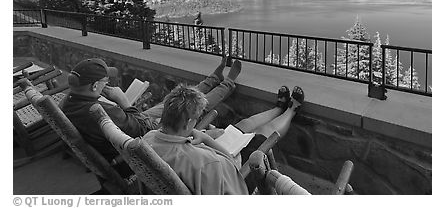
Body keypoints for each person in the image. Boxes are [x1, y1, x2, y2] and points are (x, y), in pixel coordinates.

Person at [61, 56, 241, 164]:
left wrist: (122, 108)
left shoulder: (68, 103)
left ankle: (212, 79)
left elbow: (129, 124)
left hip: (130, 126)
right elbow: (143, 131)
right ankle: (228, 82)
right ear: (94, 86)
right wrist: (122, 100)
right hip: (147, 136)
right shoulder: (101, 112)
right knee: (192, 106)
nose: (107, 83)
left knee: (173, 99)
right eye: (105, 82)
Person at [143, 81, 304, 194]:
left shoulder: (148, 139)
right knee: (262, 135)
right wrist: (207, 140)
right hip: (235, 175)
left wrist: (203, 136)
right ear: (187, 123)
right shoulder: (206, 163)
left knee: (244, 125)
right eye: (197, 119)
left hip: (198, 164)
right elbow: (233, 173)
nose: (198, 122)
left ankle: (279, 108)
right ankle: (291, 110)